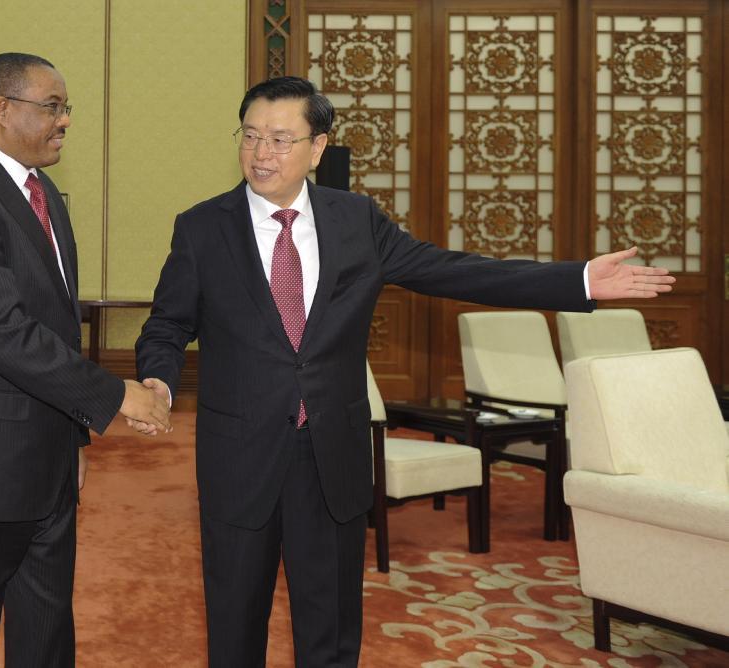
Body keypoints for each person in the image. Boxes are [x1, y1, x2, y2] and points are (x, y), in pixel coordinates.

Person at [133, 76, 674, 667]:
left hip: (331, 453)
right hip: (239, 452)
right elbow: (167, 323)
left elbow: (457, 271)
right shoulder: (203, 227)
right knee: (235, 626)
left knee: (331, 628)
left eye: (281, 139)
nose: (263, 154)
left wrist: (580, 281)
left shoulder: (357, 220)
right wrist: (158, 378)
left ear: (317, 149)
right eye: (252, 137)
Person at [0, 52, 170, 667]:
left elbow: (55, 325)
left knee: (47, 636)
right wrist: (118, 397)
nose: (66, 121)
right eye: (52, 106)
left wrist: (73, 441)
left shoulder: (40, 189)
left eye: (66, 108)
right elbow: (2, 332)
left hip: (46, 461)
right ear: (1, 110)